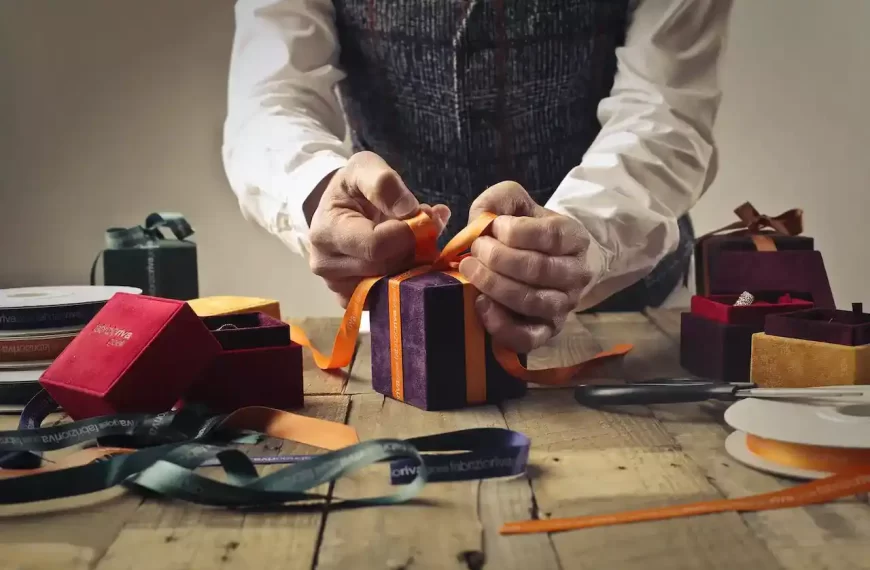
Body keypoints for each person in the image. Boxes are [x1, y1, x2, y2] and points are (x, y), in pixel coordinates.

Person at [221, 0, 733, 353]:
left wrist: (585, 237)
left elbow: (667, 109)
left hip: (635, 325)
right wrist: (316, 192)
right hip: (405, 333)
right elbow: (268, 99)